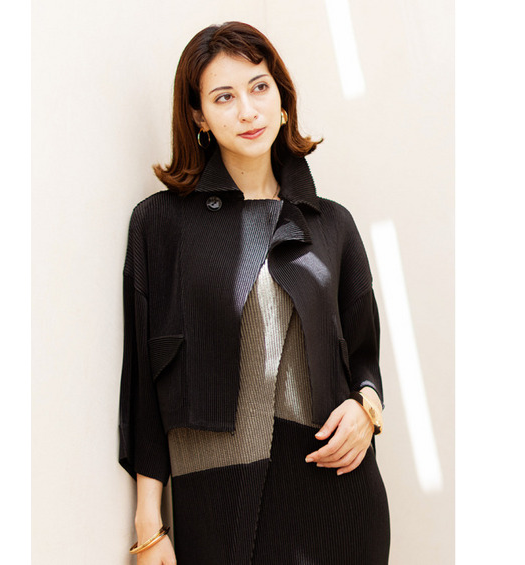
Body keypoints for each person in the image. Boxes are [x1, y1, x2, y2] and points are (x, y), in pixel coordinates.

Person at [119, 21, 390, 565]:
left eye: (259, 87)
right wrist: (149, 523)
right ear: (199, 116)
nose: (247, 110)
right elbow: (144, 379)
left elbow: (364, 355)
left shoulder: (332, 224)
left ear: (282, 100)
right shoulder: (160, 223)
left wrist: (367, 411)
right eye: (224, 97)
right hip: (216, 496)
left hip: (336, 494)